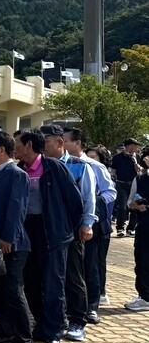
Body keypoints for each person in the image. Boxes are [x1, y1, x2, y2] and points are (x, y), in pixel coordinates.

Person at [15, 130, 82, 343]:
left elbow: (74, 202)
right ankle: (42, 326)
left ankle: (54, 334)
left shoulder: (54, 168)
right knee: (31, 283)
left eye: (18, 144)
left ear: (29, 146)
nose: (15, 148)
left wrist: (65, 230)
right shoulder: (19, 170)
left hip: (53, 233)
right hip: (27, 232)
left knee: (54, 285)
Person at [0, 130, 34, 343]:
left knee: (12, 291)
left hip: (12, 244)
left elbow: (17, 208)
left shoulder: (16, 174)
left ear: (1, 149)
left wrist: (8, 237)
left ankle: (24, 340)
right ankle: (5, 333)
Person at [40, 124, 95, 343]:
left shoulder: (79, 166)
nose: (41, 147)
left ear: (59, 142)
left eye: (44, 143)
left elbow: (88, 198)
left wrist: (87, 224)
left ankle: (77, 320)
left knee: (73, 275)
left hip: (71, 230)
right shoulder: (39, 165)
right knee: (49, 277)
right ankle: (54, 318)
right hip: (46, 229)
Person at [64, 128, 115, 324]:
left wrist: (93, 202)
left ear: (76, 143)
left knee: (91, 266)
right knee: (74, 269)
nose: (62, 143)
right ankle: (73, 306)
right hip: (70, 225)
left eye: (65, 140)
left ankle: (92, 307)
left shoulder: (93, 166)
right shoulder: (63, 165)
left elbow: (111, 193)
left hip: (92, 223)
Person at [87, 144, 115, 306]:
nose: (89, 161)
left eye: (93, 158)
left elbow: (109, 202)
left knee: (98, 260)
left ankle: (101, 292)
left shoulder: (106, 178)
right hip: (89, 224)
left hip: (102, 225)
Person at [124, 171, 149, 312]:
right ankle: (144, 296)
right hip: (144, 226)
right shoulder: (139, 178)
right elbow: (129, 202)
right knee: (142, 261)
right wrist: (134, 205)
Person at [111, 139, 140, 237]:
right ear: (129, 146)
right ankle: (120, 228)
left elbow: (142, 172)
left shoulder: (138, 157)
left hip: (135, 185)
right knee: (122, 207)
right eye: (135, 146)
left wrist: (139, 168)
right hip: (121, 184)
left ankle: (131, 228)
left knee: (135, 206)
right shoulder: (117, 158)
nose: (136, 148)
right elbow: (113, 171)